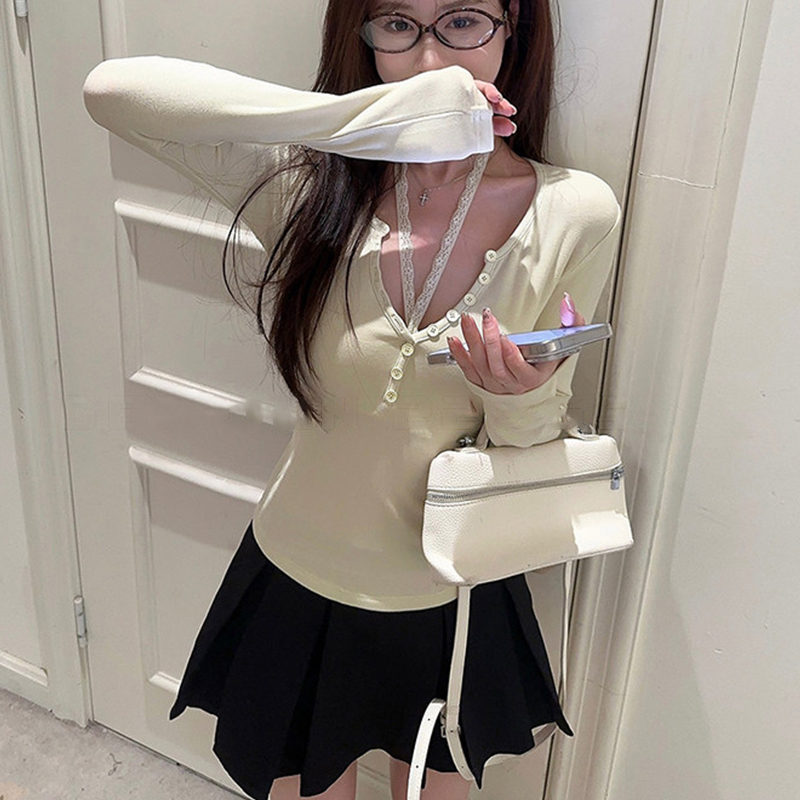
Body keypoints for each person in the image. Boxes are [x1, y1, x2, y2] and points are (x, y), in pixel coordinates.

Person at [83, 1, 621, 798]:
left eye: (463, 21)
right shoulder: (308, 188)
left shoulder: (573, 210)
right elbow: (112, 91)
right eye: (397, 24)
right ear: (360, 36)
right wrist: (366, 119)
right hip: (299, 570)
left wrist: (514, 397)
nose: (432, 59)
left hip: (453, 588)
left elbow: (531, 439)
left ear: (515, 27)